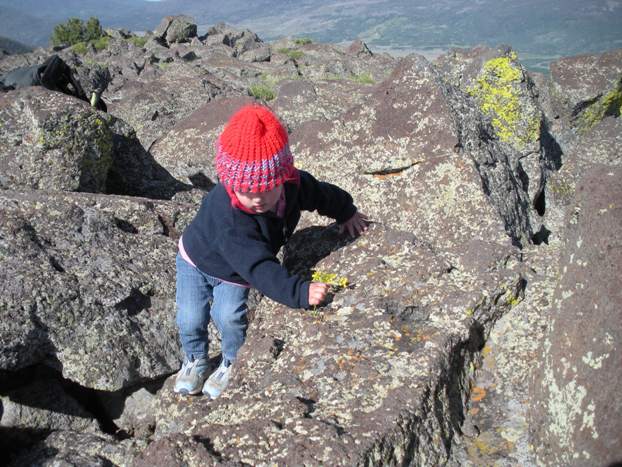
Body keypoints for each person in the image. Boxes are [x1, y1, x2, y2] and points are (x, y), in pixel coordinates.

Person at [174, 104, 368, 398]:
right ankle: (195, 359)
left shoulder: (293, 185)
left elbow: (320, 194)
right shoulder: (229, 216)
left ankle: (230, 361)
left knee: (229, 317)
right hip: (197, 258)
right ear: (230, 184)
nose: (256, 199)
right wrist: (299, 292)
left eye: (266, 189)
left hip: (235, 269)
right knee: (191, 316)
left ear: (283, 177)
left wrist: (347, 211)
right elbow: (260, 269)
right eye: (245, 191)